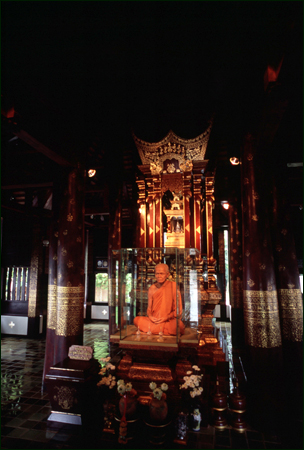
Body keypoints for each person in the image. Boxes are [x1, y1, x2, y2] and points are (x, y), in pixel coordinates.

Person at [134, 263, 185, 336]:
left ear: (167, 274)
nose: (159, 276)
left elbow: (178, 310)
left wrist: (166, 317)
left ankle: (154, 330)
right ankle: (164, 331)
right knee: (136, 320)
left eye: (161, 273)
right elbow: (149, 309)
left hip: (168, 320)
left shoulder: (173, 286)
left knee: (179, 325)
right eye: (157, 273)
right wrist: (151, 317)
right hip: (154, 321)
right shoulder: (152, 288)